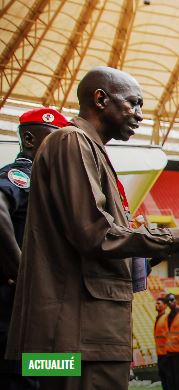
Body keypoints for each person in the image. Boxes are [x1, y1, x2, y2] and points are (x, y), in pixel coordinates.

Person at [5, 66, 179, 390]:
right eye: (134, 103)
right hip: (80, 338)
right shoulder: (72, 141)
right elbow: (95, 234)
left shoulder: (84, 147)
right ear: (101, 98)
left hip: (74, 335)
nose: (140, 114)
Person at [0, 107, 66, 390]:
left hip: (44, 315)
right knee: (24, 378)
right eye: (53, 141)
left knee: (58, 373)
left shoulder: (51, 186)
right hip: (14, 314)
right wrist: (23, 270)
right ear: (29, 140)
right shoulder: (21, 175)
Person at [165, 293, 179, 390]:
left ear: (175, 300)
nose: (170, 302)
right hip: (170, 354)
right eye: (168, 301)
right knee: (171, 381)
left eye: (172, 299)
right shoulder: (168, 317)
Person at [154, 295, 173, 390]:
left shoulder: (166, 318)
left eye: (158, 303)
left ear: (165, 305)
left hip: (166, 355)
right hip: (160, 355)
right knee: (164, 380)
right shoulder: (159, 318)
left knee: (169, 381)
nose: (156, 305)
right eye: (156, 303)